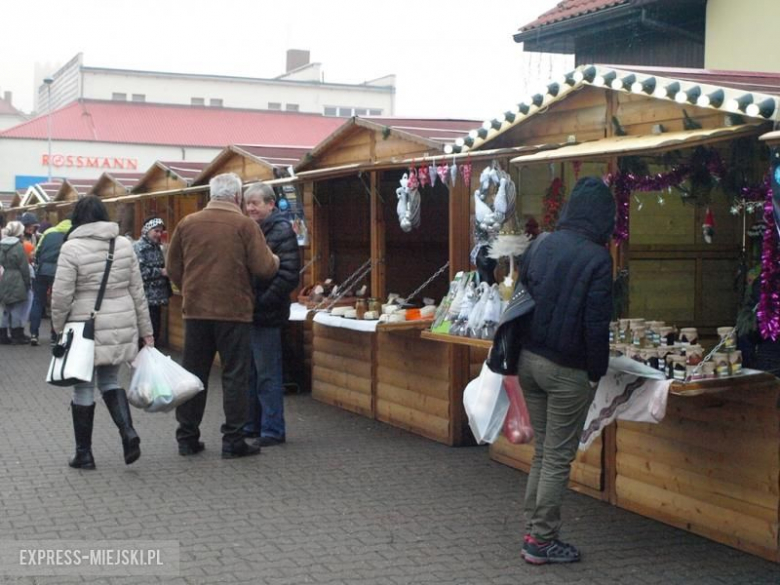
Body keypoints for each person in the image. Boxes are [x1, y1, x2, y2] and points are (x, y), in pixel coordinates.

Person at [516, 176, 614, 565]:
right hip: (567, 369)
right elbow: (596, 323)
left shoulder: (541, 244)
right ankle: (541, 541)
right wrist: (596, 372)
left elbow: (522, 299)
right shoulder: (597, 258)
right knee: (557, 457)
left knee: (544, 453)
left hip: (529, 361)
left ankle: (533, 528)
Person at [167, 173, 279, 459]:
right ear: (238, 198)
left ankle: (187, 437)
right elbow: (265, 268)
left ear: (211, 195)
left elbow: (173, 267)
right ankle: (233, 440)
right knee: (235, 376)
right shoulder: (245, 225)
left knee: (193, 375)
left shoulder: (187, 223)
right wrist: (276, 259)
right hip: (234, 312)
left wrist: (190, 289)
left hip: (196, 311)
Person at [51, 196, 153, 470]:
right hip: (121, 321)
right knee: (109, 380)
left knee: (83, 386)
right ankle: (128, 432)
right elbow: (138, 291)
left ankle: (84, 454)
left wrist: (58, 327)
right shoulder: (122, 244)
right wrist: (146, 330)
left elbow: (62, 295)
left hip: (85, 325)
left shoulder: (71, 248)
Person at [243, 183, 300, 446]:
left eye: (255, 203)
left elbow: (288, 275)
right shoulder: (250, 230)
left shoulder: (280, 230)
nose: (251, 208)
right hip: (250, 313)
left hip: (267, 314)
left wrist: (261, 303)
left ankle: (272, 430)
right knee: (252, 374)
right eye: (248, 203)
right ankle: (252, 426)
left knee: (267, 374)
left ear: (270, 204)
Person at [30, 217, 72, 346]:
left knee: (37, 301)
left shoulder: (48, 232)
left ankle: (34, 334)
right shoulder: (73, 234)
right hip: (60, 272)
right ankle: (55, 335)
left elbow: (37, 251)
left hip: (43, 271)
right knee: (56, 303)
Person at [133, 216, 171, 344]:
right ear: (147, 230)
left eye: (161, 231)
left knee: (155, 332)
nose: (159, 234)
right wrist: (161, 272)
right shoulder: (138, 248)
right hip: (146, 299)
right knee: (147, 335)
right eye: (156, 231)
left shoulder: (157, 247)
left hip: (157, 299)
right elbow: (140, 272)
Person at [0, 221, 32, 344]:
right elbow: (24, 267)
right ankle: (17, 335)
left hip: (2, 277)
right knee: (17, 308)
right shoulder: (19, 247)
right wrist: (27, 283)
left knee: (3, 308)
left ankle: (2, 335)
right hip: (16, 278)